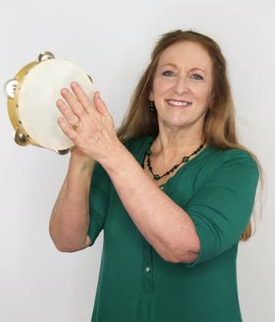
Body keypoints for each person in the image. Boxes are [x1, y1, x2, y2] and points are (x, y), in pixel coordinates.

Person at [49, 30, 262, 322]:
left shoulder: (236, 166)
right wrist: (82, 156)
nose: (180, 87)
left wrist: (108, 151)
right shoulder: (122, 153)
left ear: (213, 96)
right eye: (168, 73)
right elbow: (68, 239)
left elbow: (184, 246)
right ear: (151, 89)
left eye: (196, 77)